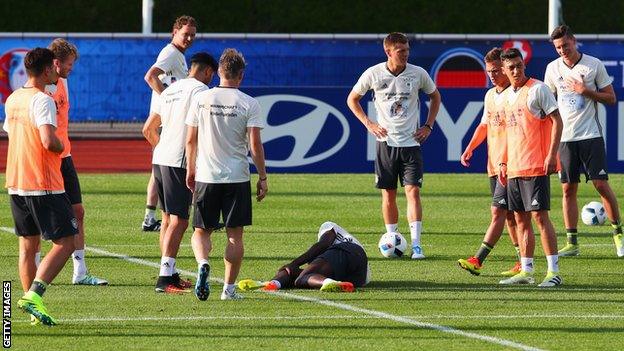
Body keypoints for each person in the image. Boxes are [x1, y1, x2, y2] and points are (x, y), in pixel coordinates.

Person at [347, 32, 441, 260]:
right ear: (388, 51)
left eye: (407, 50)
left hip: (411, 143)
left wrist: (428, 126)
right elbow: (352, 99)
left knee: (413, 192)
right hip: (385, 143)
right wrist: (369, 123)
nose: (406, 54)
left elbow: (435, 97)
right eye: (401, 51)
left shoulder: (418, 73)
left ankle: (417, 244)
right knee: (388, 195)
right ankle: (392, 238)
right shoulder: (374, 73)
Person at [185, 48, 268, 301]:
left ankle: (202, 263)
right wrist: (263, 177)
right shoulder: (249, 103)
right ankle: (228, 290)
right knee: (235, 236)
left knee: (201, 232)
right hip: (237, 177)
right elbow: (255, 145)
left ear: (219, 71)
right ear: (240, 75)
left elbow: (190, 140)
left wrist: (190, 169)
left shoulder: (201, 99)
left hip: (207, 175)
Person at [4, 48, 78, 325]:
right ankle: (34, 295)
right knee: (66, 241)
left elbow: (12, 133)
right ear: (47, 70)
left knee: (28, 247)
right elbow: (48, 140)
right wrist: (61, 145)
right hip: (43, 181)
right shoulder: (42, 100)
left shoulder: (13, 99)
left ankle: (32, 309)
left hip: (16, 181)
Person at [544, 25, 623, 258]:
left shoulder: (593, 64)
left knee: (600, 184)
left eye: (565, 45)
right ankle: (572, 242)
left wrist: (585, 91)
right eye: (558, 48)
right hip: (565, 138)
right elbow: (548, 102)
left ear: (574, 41)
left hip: (590, 135)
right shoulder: (552, 69)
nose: (562, 51)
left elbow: (611, 98)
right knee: (568, 189)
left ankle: (618, 234)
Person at [142, 52, 218, 294]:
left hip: (161, 158)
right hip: (178, 161)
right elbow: (198, 131)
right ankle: (164, 277)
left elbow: (148, 128)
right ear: (208, 72)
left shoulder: (171, 90)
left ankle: (169, 272)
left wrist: (163, 147)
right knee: (180, 220)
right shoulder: (199, 92)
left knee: (167, 219)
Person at [497, 48, 563, 287]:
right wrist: (503, 160)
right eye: (511, 67)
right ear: (504, 70)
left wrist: (552, 154)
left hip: (535, 164)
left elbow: (557, 120)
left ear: (524, 65)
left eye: (519, 65)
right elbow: (506, 132)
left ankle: (553, 272)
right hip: (514, 167)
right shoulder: (504, 96)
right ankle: (526, 270)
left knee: (540, 217)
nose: (516, 70)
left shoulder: (538, 89)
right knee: (520, 219)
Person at [45, 38, 108, 286]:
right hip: (47, 160)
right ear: (56, 62)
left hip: (65, 157)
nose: (72, 68)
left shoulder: (64, 83)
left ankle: (80, 272)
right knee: (44, 219)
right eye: (69, 64)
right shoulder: (42, 89)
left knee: (78, 212)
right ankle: (38, 266)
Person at [457, 48, 522, 277]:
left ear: (505, 69)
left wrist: (507, 160)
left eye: (496, 71)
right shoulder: (491, 95)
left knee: (497, 212)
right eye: (489, 72)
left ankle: (478, 259)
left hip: (511, 164)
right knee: (509, 216)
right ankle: (521, 262)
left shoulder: (513, 96)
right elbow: (485, 125)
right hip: (493, 165)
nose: (492, 75)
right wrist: (470, 147)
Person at [142, 15, 197, 232]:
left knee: (161, 167)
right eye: (186, 34)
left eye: (193, 34)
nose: (190, 38)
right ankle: (161, 216)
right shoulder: (171, 53)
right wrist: (170, 101)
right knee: (168, 166)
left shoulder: (178, 55)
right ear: (174, 32)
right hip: (167, 121)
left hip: (165, 121)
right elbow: (150, 76)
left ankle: (150, 216)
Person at [238, 221, 371, 293]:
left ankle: (327, 283)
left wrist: (294, 263)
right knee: (298, 275)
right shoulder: (331, 261)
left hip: (349, 251)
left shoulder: (329, 227)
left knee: (301, 277)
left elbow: (322, 244)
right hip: (358, 276)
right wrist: (292, 269)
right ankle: (272, 283)